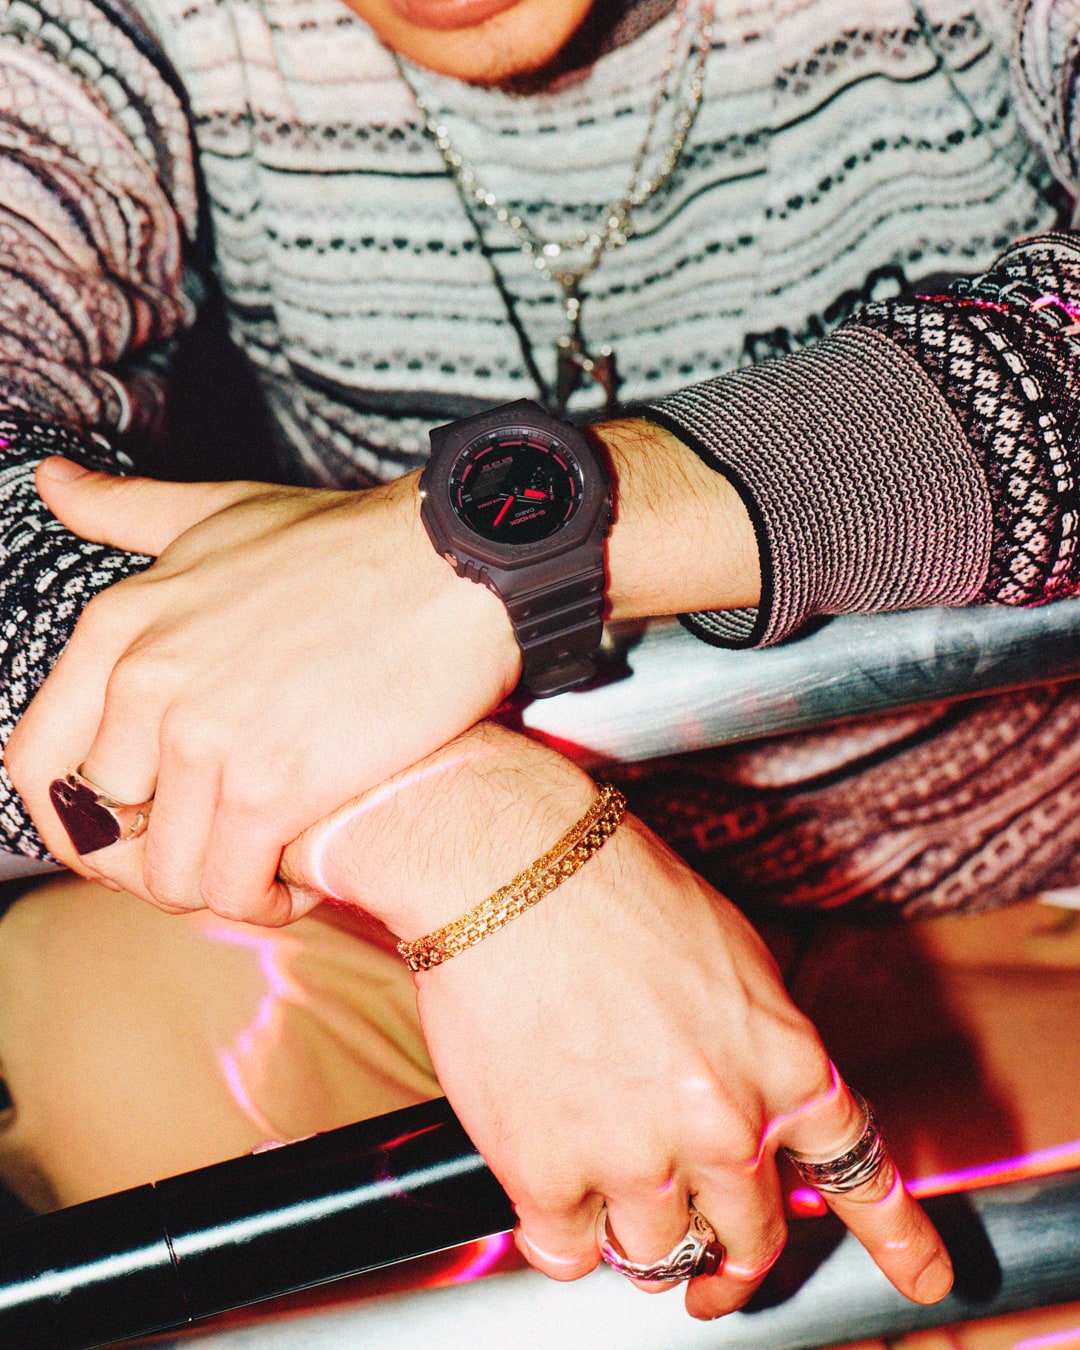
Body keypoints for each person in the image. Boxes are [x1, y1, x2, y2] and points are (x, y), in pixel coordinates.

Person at [0, 0, 1076, 1322]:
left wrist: (531, 541)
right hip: (408, 943)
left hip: (1012, 887)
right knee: (115, 1009)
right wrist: (461, 836)